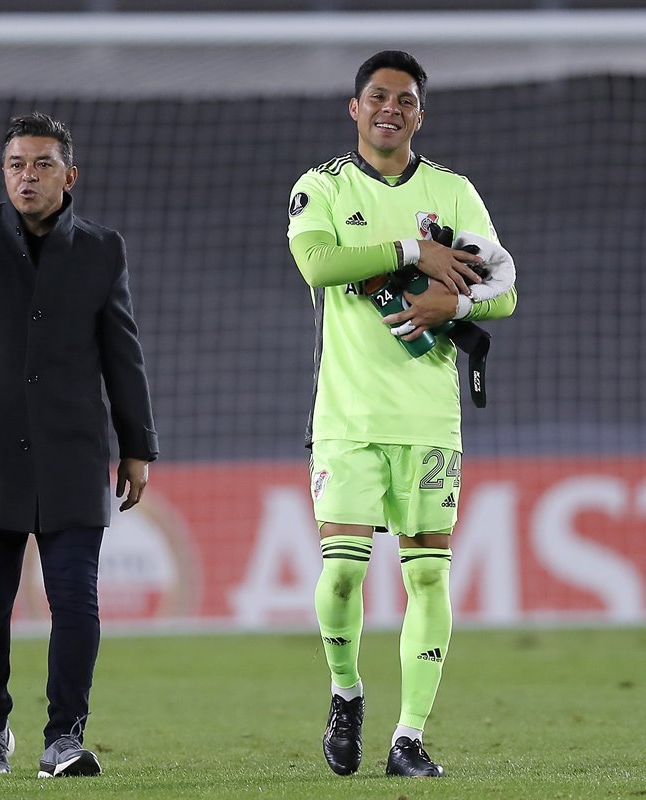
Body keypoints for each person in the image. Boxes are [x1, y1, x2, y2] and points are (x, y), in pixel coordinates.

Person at [0, 112, 158, 778]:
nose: (28, 176)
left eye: (42, 164)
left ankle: (63, 738)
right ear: (3, 172)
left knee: (77, 599)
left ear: (69, 176)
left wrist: (138, 446)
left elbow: (122, 355)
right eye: (16, 164)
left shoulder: (104, 248)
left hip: (72, 455)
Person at [286, 51, 517, 778]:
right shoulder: (321, 186)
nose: (391, 108)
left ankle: (409, 738)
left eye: (406, 100)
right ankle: (346, 692)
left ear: (421, 114)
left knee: (426, 579)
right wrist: (411, 250)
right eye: (378, 96)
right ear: (355, 108)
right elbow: (319, 266)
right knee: (343, 577)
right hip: (348, 418)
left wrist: (458, 300)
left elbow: (506, 288)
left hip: (426, 420)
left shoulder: (454, 192)